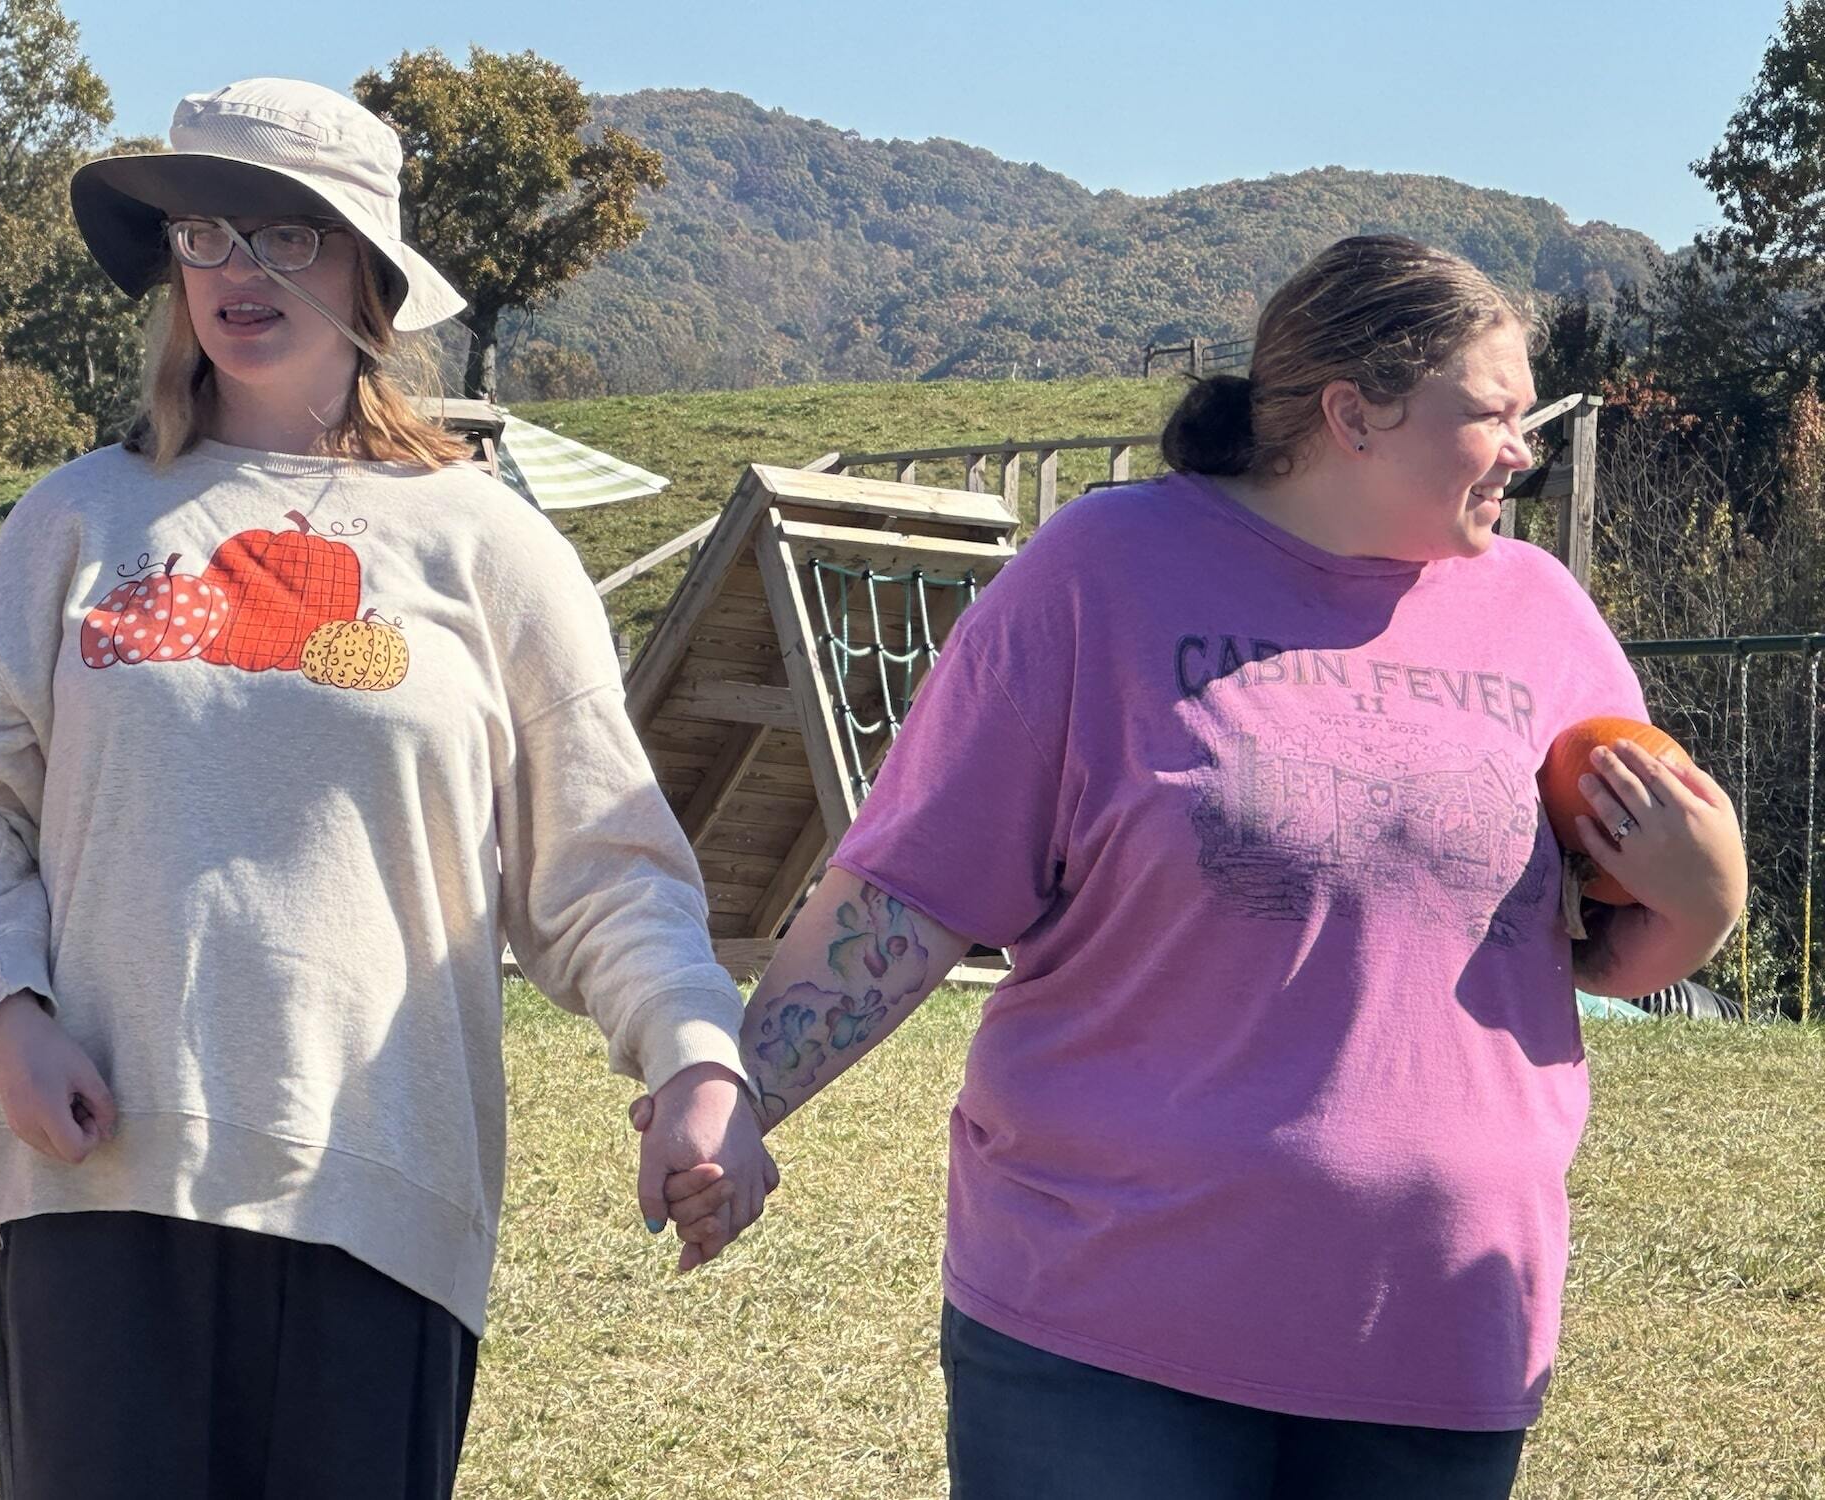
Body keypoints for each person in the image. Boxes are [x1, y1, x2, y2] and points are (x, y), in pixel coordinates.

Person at [647, 236, 1747, 1497]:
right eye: (1491, 415)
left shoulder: (1541, 614)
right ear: (1353, 414)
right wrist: (743, 1098)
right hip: (1106, 1336)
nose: (1522, 449)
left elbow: (1595, 949)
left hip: (1439, 1335)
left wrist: (1707, 895)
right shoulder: (1103, 571)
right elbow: (908, 891)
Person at [0, 77, 773, 1499]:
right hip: (96, 1182)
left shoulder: (487, 548)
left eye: (288, 235)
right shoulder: (75, 519)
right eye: (205, 230)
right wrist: (3, 1014)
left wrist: (693, 1060)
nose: (238, 271)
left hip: (376, 1190)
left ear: (369, 264)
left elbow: (606, 865)